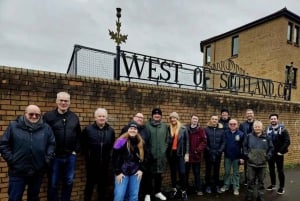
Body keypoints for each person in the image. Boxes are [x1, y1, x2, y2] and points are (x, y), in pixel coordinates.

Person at [0, 105, 56, 201]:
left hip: (37, 171)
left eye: (37, 115)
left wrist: (46, 159)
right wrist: (12, 160)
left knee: (34, 198)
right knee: (14, 198)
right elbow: (3, 144)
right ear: (25, 114)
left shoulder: (46, 128)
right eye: (31, 114)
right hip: (17, 172)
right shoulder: (14, 126)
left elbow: (52, 144)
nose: (34, 117)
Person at [44, 92, 81, 201]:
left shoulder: (74, 117)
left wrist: (75, 150)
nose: (63, 103)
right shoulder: (48, 116)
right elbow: (43, 135)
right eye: (61, 100)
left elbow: (78, 135)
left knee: (68, 181)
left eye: (66, 101)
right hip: (54, 156)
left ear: (69, 102)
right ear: (57, 101)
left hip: (70, 156)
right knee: (53, 183)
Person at [81, 108, 115, 201]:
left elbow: (112, 145)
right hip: (92, 164)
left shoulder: (111, 131)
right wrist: (88, 157)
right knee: (89, 187)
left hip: (105, 164)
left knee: (102, 188)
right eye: (99, 116)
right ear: (95, 117)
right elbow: (82, 145)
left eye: (103, 116)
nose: (101, 118)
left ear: (106, 118)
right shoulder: (88, 130)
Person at [120, 113, 152, 201]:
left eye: (142, 118)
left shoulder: (145, 131)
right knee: (121, 194)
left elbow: (147, 149)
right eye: (138, 117)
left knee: (134, 193)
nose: (140, 119)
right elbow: (117, 151)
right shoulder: (124, 130)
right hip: (125, 167)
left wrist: (142, 167)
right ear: (133, 118)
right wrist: (118, 170)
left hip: (138, 166)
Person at [112, 121, 144, 201]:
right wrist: (118, 172)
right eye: (131, 128)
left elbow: (146, 157)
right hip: (122, 173)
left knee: (133, 196)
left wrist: (141, 169)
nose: (133, 130)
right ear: (128, 129)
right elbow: (114, 157)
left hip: (135, 173)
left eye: (135, 129)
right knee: (119, 196)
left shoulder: (140, 142)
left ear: (137, 131)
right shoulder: (120, 141)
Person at [243, 120, 274, 201]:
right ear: (253, 127)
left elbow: (271, 148)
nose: (257, 128)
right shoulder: (249, 136)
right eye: (256, 126)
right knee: (250, 180)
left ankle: (260, 195)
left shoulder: (267, 137)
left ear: (262, 127)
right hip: (251, 163)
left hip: (262, 163)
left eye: (259, 126)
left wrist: (268, 156)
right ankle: (249, 195)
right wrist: (247, 155)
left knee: (261, 181)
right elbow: (244, 146)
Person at [145, 108, 169, 201]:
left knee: (159, 175)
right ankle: (147, 194)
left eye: (159, 114)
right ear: (152, 115)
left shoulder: (164, 126)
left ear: (161, 116)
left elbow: (167, 139)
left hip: (161, 156)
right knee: (148, 176)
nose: (157, 115)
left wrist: (164, 149)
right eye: (155, 114)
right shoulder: (146, 126)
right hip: (150, 156)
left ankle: (157, 192)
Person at [266, 113, 290, 195]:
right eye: (271, 119)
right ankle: (273, 185)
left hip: (279, 154)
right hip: (270, 154)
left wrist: (281, 151)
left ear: (277, 119)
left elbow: (287, 141)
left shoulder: (283, 129)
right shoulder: (267, 129)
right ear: (270, 120)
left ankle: (281, 187)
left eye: (274, 118)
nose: (273, 120)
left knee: (280, 171)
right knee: (271, 170)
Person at [167, 112, 189, 201]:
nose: (173, 119)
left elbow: (187, 142)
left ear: (177, 118)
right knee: (173, 172)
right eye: (171, 118)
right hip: (171, 154)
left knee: (182, 172)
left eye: (174, 118)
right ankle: (174, 189)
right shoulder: (168, 128)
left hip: (180, 154)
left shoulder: (183, 128)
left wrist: (187, 154)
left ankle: (183, 191)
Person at [220, 119, 244, 196]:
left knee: (236, 173)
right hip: (227, 157)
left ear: (237, 125)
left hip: (237, 157)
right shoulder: (225, 133)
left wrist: (242, 157)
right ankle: (226, 185)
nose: (232, 125)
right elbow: (223, 143)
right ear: (228, 125)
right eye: (231, 124)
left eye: (234, 124)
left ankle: (236, 187)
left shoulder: (241, 134)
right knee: (227, 172)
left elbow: (243, 147)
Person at [185, 114, 207, 196]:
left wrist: (197, 150)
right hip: (187, 156)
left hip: (196, 156)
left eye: (196, 119)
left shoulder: (201, 130)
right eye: (193, 119)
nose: (195, 120)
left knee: (197, 173)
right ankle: (185, 189)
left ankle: (198, 189)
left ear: (198, 121)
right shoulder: (186, 129)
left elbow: (204, 142)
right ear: (191, 119)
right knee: (185, 173)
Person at [204, 115, 225, 194]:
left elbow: (223, 142)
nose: (214, 120)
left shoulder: (221, 130)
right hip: (208, 153)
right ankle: (208, 186)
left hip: (218, 154)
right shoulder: (206, 130)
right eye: (213, 119)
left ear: (217, 121)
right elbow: (204, 142)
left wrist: (219, 151)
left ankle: (216, 186)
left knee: (216, 171)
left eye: (216, 119)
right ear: (210, 120)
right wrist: (209, 151)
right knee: (208, 171)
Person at [239, 109, 255, 185]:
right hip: (245, 147)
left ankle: (254, 180)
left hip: (254, 147)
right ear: (246, 115)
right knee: (246, 165)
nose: (249, 115)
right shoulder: (242, 125)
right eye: (248, 113)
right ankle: (246, 179)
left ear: (253, 114)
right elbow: (240, 136)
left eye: (250, 113)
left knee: (254, 164)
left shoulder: (257, 123)